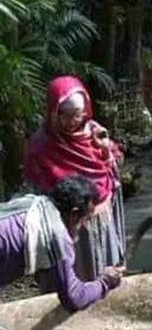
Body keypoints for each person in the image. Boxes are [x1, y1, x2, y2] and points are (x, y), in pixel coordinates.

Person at [0, 176, 125, 330]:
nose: (85, 226)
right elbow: (73, 297)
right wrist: (106, 281)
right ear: (74, 213)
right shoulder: (55, 234)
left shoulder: (32, 203)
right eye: (85, 219)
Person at [25, 76, 126, 282]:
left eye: (77, 115)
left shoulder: (96, 133)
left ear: (85, 111)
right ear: (54, 112)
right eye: (65, 115)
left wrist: (105, 149)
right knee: (68, 276)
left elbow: (114, 164)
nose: (72, 122)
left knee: (103, 271)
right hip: (63, 223)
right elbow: (36, 187)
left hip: (98, 217)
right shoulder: (41, 144)